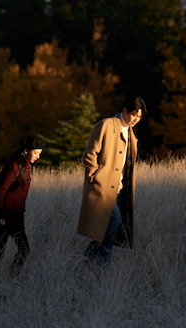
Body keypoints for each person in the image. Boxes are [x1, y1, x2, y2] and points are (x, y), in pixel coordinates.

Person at [76, 97, 145, 265]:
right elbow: (89, 154)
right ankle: (99, 262)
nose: (136, 119)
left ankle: (89, 261)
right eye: (134, 114)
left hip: (120, 188)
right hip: (103, 186)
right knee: (114, 220)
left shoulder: (130, 133)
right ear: (125, 110)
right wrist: (95, 176)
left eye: (139, 117)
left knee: (109, 226)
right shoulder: (107, 125)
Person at [0, 134, 44, 278]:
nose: (38, 157)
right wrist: (0, 216)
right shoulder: (14, 166)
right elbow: (0, 191)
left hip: (16, 218)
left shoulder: (27, 166)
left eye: (40, 154)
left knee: (24, 249)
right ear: (26, 150)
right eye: (36, 153)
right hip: (3, 218)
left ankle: (12, 278)